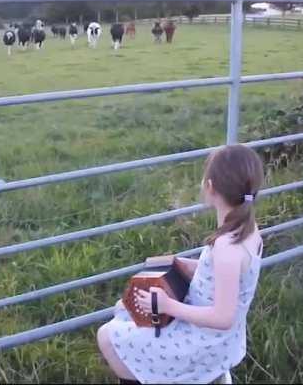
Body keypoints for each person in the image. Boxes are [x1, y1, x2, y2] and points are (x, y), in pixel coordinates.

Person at [97, 144, 265, 384]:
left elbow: (222, 318)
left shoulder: (227, 246)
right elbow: (231, 278)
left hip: (205, 342)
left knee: (107, 336)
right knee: (123, 309)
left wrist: (168, 306)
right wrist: (190, 266)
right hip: (222, 338)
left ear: (210, 187)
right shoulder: (247, 230)